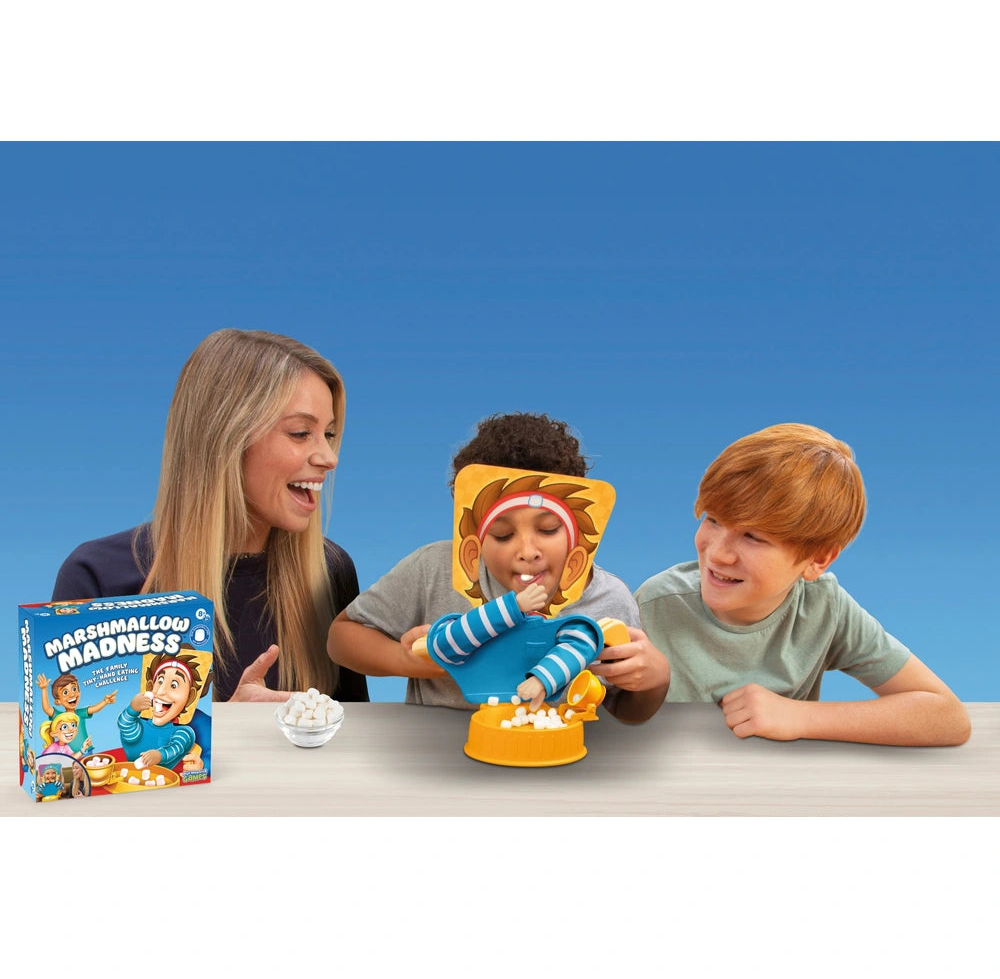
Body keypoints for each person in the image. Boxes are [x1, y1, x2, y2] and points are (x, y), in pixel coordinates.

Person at [52, 329, 368, 705]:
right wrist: (228, 725)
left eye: (328, 434)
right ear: (226, 438)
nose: (329, 458)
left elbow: (353, 735)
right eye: (300, 433)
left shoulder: (331, 572)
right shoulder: (97, 578)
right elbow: (67, 738)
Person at [634, 423, 971, 746]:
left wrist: (800, 717)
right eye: (713, 520)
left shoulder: (823, 607)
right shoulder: (654, 607)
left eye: (753, 537)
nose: (719, 554)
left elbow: (947, 717)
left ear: (818, 560)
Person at [329, 412, 669, 723]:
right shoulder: (432, 569)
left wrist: (655, 680)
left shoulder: (610, 600)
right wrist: (408, 661)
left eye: (548, 529)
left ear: (575, 537)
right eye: (503, 534)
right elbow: (341, 639)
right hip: (444, 756)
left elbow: (627, 712)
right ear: (473, 545)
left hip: (563, 758)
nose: (527, 552)